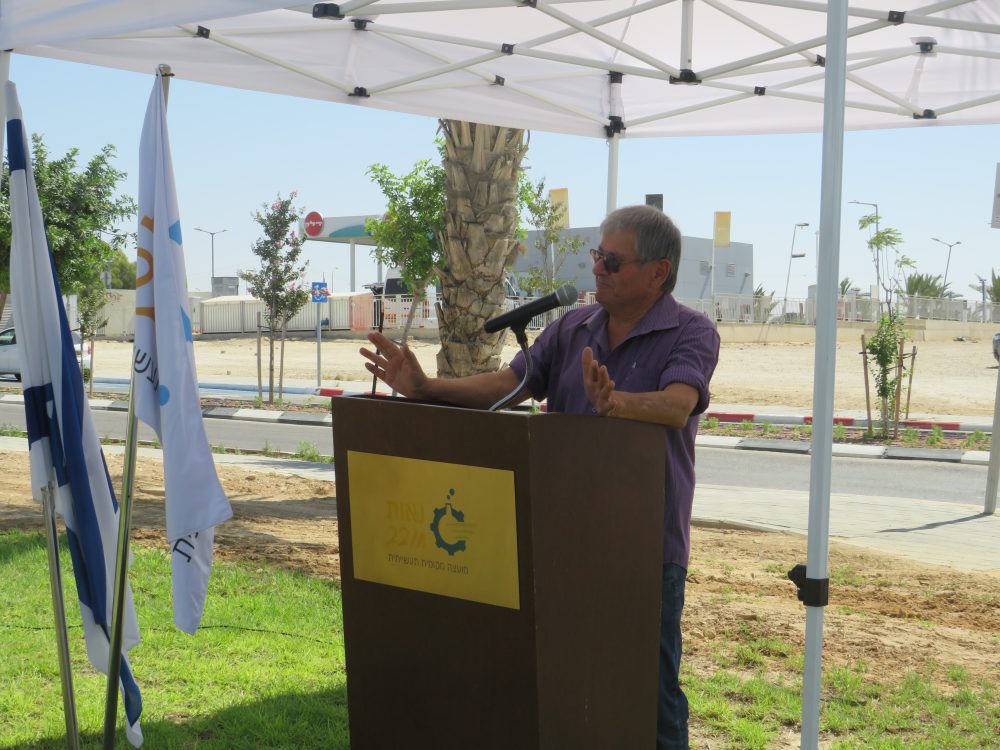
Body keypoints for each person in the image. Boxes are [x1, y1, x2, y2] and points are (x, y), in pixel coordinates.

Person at [361, 204, 720, 750]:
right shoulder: (573, 327)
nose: (596, 268)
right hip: (561, 540)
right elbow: (507, 385)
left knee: (649, 690)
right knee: (566, 676)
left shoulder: (690, 331)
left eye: (613, 261)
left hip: (645, 548)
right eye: (597, 255)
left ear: (657, 272)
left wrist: (616, 402)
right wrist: (427, 388)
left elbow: (677, 405)